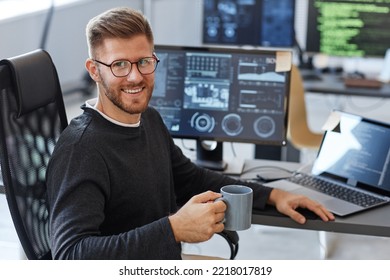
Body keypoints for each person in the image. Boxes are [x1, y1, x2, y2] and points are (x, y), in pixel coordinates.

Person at [46, 7, 334, 260]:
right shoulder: (82, 149)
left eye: (144, 61)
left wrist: (273, 195)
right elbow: (72, 255)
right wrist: (173, 229)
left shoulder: (149, 119)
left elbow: (191, 179)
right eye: (119, 65)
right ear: (94, 71)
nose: (135, 76)